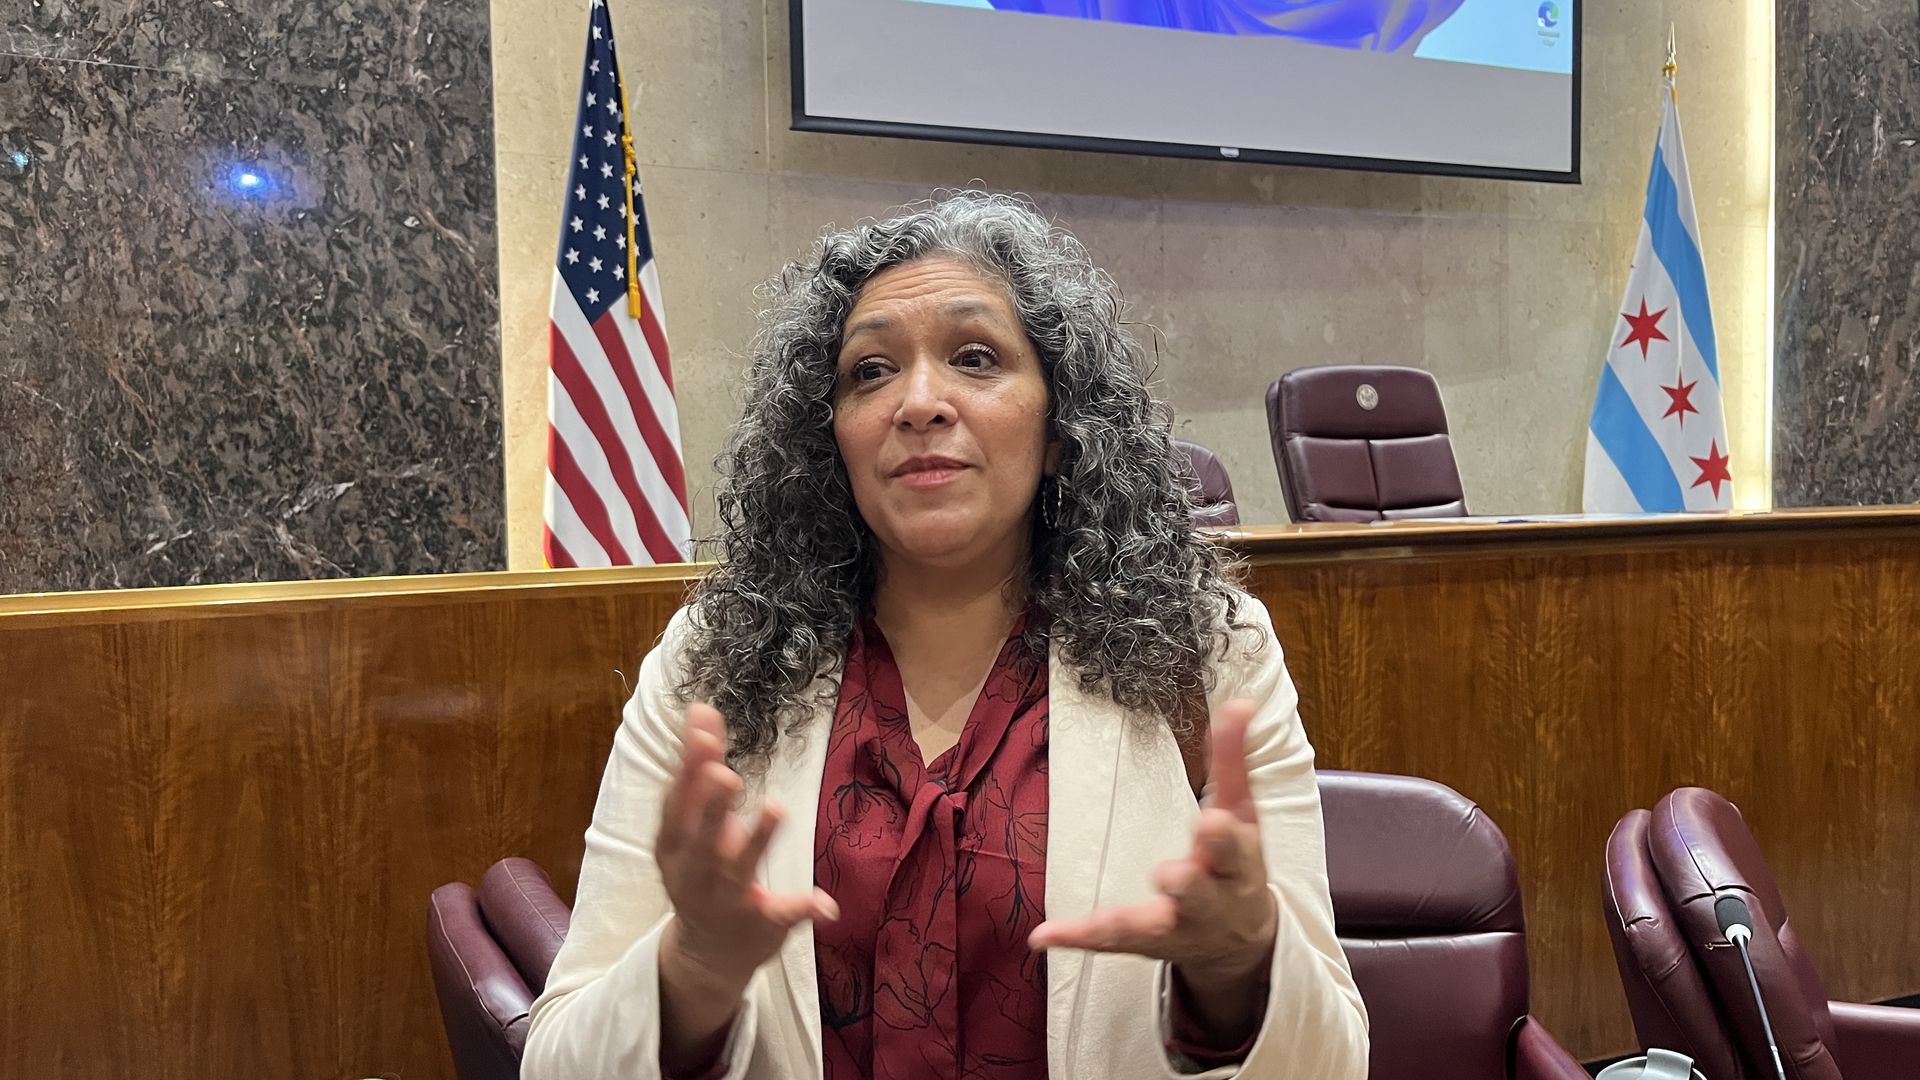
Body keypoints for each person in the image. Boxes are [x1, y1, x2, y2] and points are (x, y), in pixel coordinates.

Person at [521, 192, 1367, 1080]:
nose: (919, 401)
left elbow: (1336, 1060)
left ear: (1059, 424)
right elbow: (558, 1059)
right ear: (828, 440)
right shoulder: (709, 663)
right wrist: (692, 969)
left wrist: (1240, 968)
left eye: (975, 357)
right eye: (871, 372)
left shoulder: (1206, 653)